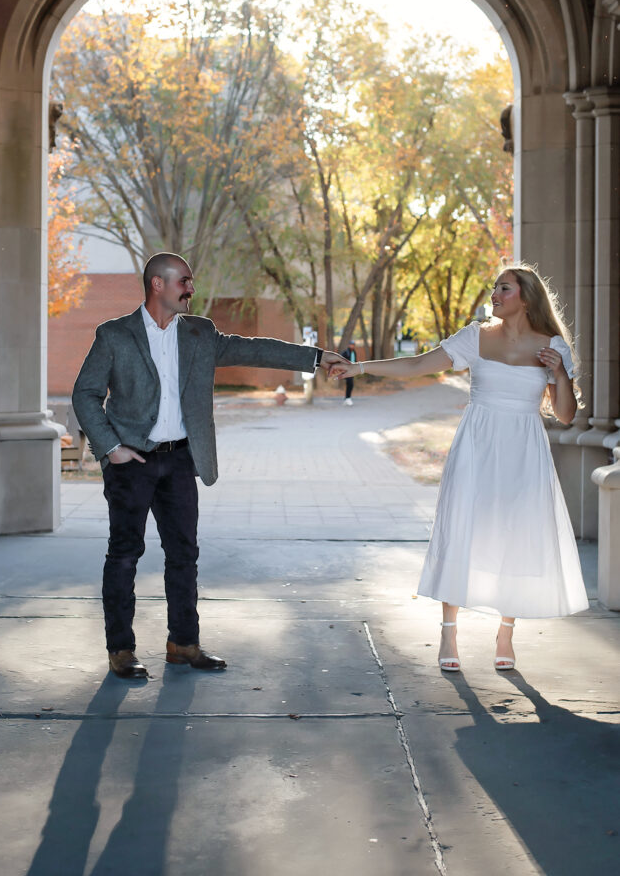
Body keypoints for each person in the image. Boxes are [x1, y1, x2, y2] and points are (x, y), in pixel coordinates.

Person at [73, 252, 346, 678]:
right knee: (125, 554)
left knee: (184, 555)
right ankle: (121, 650)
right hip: (133, 462)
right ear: (158, 285)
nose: (191, 289)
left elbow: (254, 349)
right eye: (184, 281)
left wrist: (317, 357)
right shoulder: (114, 336)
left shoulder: (200, 332)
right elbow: (85, 394)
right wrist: (111, 448)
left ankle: (183, 643)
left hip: (181, 459)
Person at [329, 263, 589, 672]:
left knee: (515, 535)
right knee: (461, 528)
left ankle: (506, 629)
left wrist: (559, 374)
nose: (494, 295)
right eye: (494, 288)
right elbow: (418, 364)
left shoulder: (553, 345)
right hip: (476, 443)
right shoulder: (476, 337)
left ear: (526, 297)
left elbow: (567, 415)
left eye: (503, 288)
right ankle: (449, 630)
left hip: (524, 449)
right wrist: (359, 368)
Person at [343, 341, 357, 406]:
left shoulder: (354, 352)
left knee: (350, 385)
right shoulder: (346, 352)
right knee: (350, 384)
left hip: (352, 371)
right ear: (349, 345)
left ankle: (347, 398)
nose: (352, 346)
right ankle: (348, 398)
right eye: (351, 345)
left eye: (353, 345)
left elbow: (355, 361)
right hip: (347, 371)